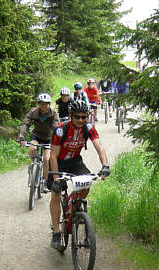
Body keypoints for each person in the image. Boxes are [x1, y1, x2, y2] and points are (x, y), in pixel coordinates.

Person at [49, 101, 110, 249]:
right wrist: (56, 178)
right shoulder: (60, 130)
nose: (81, 120)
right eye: (77, 117)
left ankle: (74, 205)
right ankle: (57, 231)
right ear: (71, 116)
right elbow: (53, 155)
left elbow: (99, 146)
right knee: (56, 193)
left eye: (84, 117)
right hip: (59, 162)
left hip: (75, 161)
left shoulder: (88, 128)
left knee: (87, 183)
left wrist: (105, 166)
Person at [18, 92, 59, 193]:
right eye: (42, 103)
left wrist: (57, 139)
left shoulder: (53, 114)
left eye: (46, 104)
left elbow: (56, 127)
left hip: (48, 138)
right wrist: (21, 136)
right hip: (36, 136)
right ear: (39, 104)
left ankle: (44, 182)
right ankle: (33, 165)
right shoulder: (33, 112)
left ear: (49, 104)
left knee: (46, 158)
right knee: (32, 148)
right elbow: (25, 124)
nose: (44, 106)